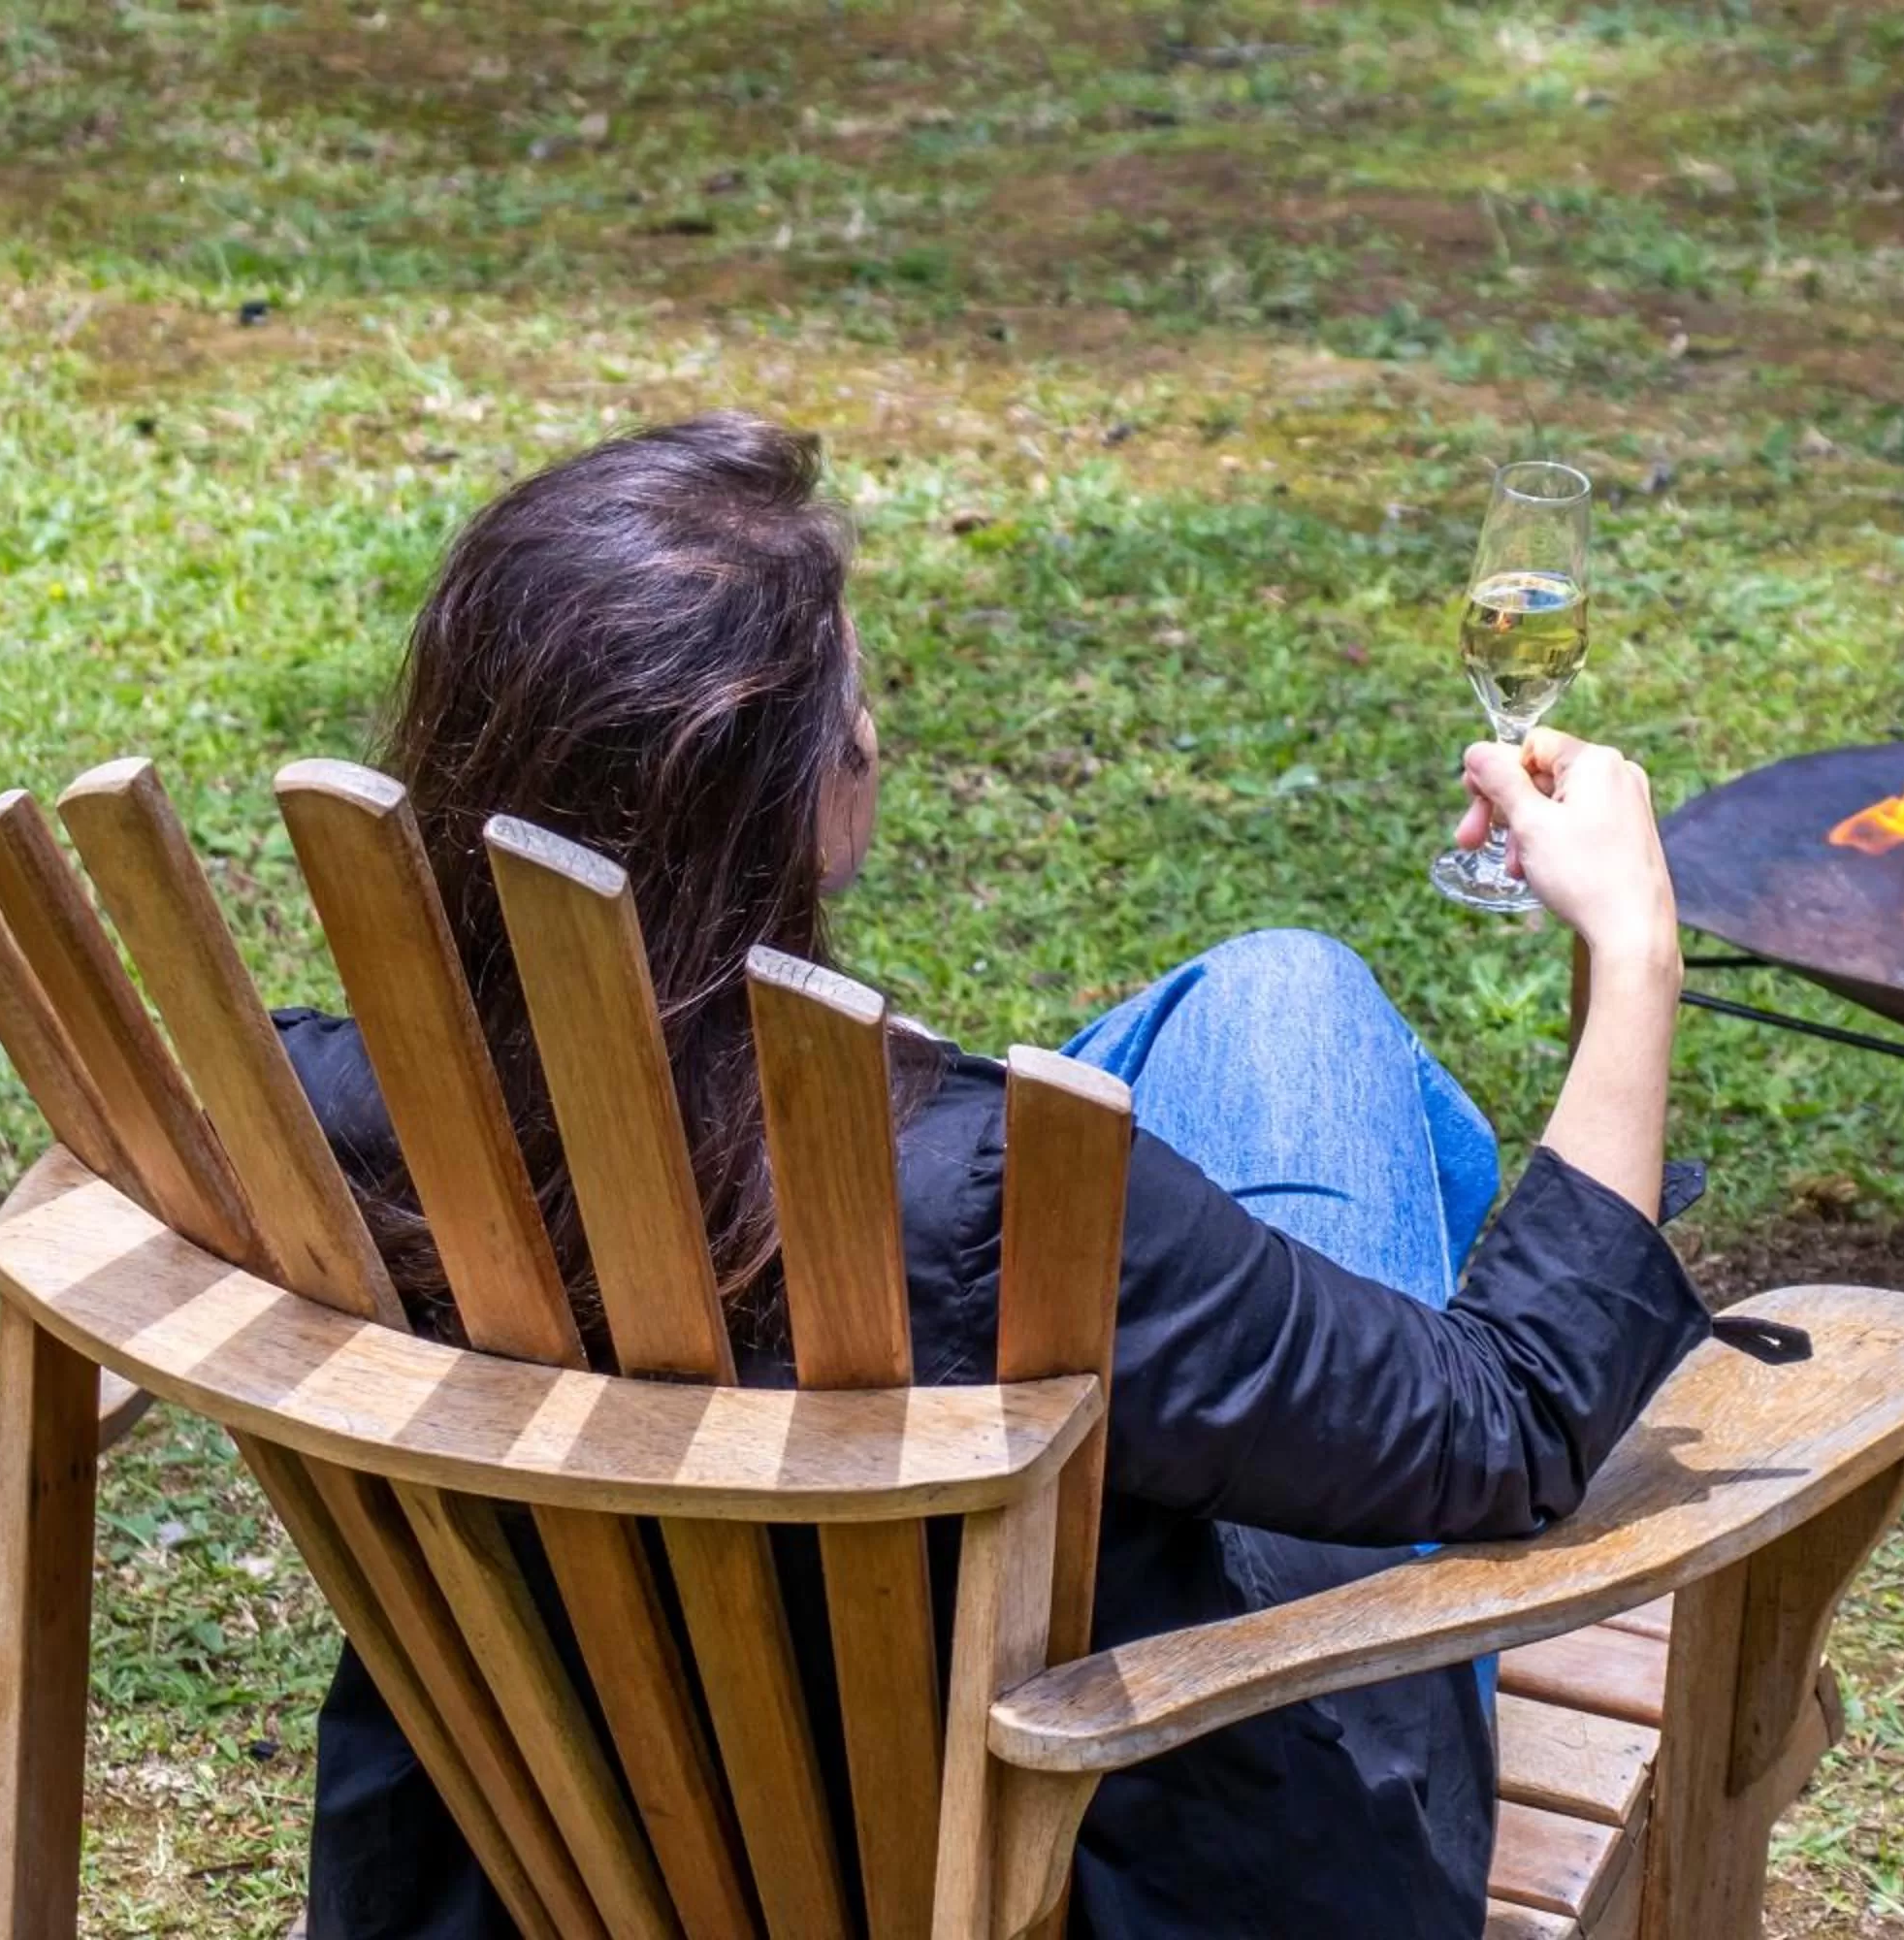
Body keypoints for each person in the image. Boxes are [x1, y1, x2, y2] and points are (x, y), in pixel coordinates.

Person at [279, 412, 1709, 1939]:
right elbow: (1514, 1421)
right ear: (797, 802)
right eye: (857, 703)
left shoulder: (324, 1108)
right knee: (1315, 1062)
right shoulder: (997, 1205)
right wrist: (1635, 951)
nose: (873, 739)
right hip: (1088, 1858)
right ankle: (1366, 1342)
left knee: (1280, 989)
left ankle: (1332, 1323)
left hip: (519, 1863)